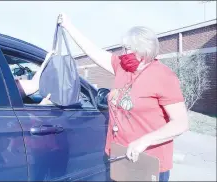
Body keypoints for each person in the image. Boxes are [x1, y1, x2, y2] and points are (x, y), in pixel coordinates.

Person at [57, 13, 189, 182]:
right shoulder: (122, 67)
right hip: (119, 157)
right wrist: (69, 27)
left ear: (144, 50)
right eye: (124, 48)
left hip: (148, 161)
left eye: (129, 48)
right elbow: (93, 52)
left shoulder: (163, 76)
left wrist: (145, 141)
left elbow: (180, 123)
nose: (124, 53)